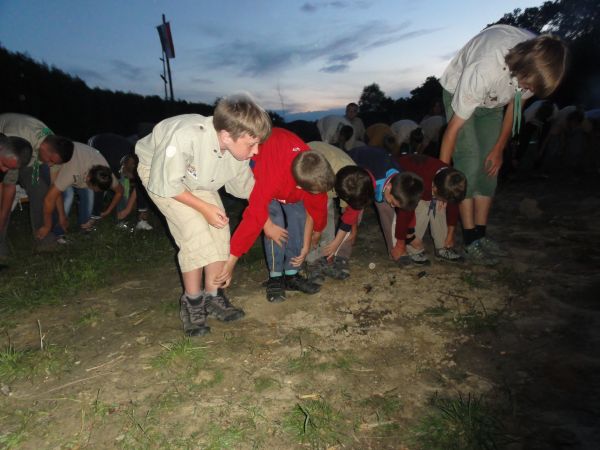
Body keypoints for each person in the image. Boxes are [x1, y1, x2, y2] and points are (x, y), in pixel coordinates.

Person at [135, 94, 272, 337]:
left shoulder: (235, 149)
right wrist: (205, 208)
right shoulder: (186, 135)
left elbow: (247, 188)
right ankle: (193, 303)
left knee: (220, 230)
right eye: (251, 144)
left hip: (196, 180)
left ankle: (213, 296)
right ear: (226, 135)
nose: (256, 151)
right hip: (161, 174)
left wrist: (269, 215)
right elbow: (167, 183)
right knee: (194, 231)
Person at [439, 25, 567, 265]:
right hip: (460, 88)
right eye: (529, 86)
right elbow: (453, 130)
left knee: (489, 166)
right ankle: (469, 240)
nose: (529, 91)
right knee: (471, 161)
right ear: (523, 66)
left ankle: (480, 234)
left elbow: (515, 106)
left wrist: (498, 149)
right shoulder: (484, 68)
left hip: (494, 101)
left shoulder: (536, 65)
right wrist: (441, 176)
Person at [215, 127, 334, 303]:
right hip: (263, 172)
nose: (318, 195)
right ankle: (275, 277)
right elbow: (254, 215)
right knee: (274, 223)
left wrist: (315, 234)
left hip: (289, 182)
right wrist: (232, 260)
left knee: (298, 218)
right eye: (314, 193)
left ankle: (291, 276)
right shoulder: (273, 176)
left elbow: (318, 209)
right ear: (300, 187)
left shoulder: (313, 170)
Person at [0, 113, 74, 255]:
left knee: (40, 189)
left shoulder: (53, 146)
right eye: (50, 160)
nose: (50, 164)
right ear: (44, 147)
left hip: (28, 161)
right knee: (3, 199)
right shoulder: (18, 138)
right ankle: (0, 243)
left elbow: (55, 188)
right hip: (7, 153)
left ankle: (43, 239)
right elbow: (9, 187)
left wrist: (62, 215)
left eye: (54, 163)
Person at [305, 140, 373, 283]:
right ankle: (313, 263)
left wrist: (336, 243)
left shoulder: (358, 180)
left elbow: (350, 214)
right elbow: (314, 211)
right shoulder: (323, 175)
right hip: (311, 168)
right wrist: (316, 232)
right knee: (316, 221)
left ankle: (326, 260)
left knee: (329, 219)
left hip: (334, 174)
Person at [346, 145, 425, 264]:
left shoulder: (403, 182)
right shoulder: (370, 179)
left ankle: (395, 252)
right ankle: (341, 254)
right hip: (355, 167)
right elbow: (353, 205)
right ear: (389, 187)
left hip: (381, 174)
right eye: (394, 202)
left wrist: (403, 241)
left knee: (388, 210)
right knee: (354, 216)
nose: (393, 205)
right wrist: (354, 228)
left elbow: (407, 211)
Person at [35, 142, 124, 241]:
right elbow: (49, 198)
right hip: (57, 163)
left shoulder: (106, 175)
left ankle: (83, 229)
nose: (96, 191)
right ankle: (58, 231)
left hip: (85, 158)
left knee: (89, 196)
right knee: (68, 195)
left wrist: (107, 211)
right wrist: (60, 217)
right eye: (95, 188)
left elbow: (120, 191)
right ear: (88, 178)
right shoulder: (71, 173)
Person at [394, 154, 466, 264]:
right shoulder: (421, 182)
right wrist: (409, 238)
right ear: (435, 188)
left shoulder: (451, 178)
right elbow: (405, 210)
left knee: (440, 204)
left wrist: (450, 234)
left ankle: (443, 247)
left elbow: (453, 204)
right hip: (400, 178)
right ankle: (412, 249)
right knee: (424, 206)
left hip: (430, 185)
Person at [88, 132, 153, 231]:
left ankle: (139, 220)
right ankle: (94, 217)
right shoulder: (108, 161)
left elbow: (139, 186)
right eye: (128, 175)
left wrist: (127, 209)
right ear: (123, 167)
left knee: (126, 188)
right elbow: (102, 184)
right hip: (97, 145)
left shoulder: (140, 161)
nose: (129, 179)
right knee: (100, 184)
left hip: (120, 153)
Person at [0, 135, 33, 259]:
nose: (4, 169)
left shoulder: (9, 160)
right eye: (4, 164)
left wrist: (2, 219)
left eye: (10, 168)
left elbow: (8, 187)